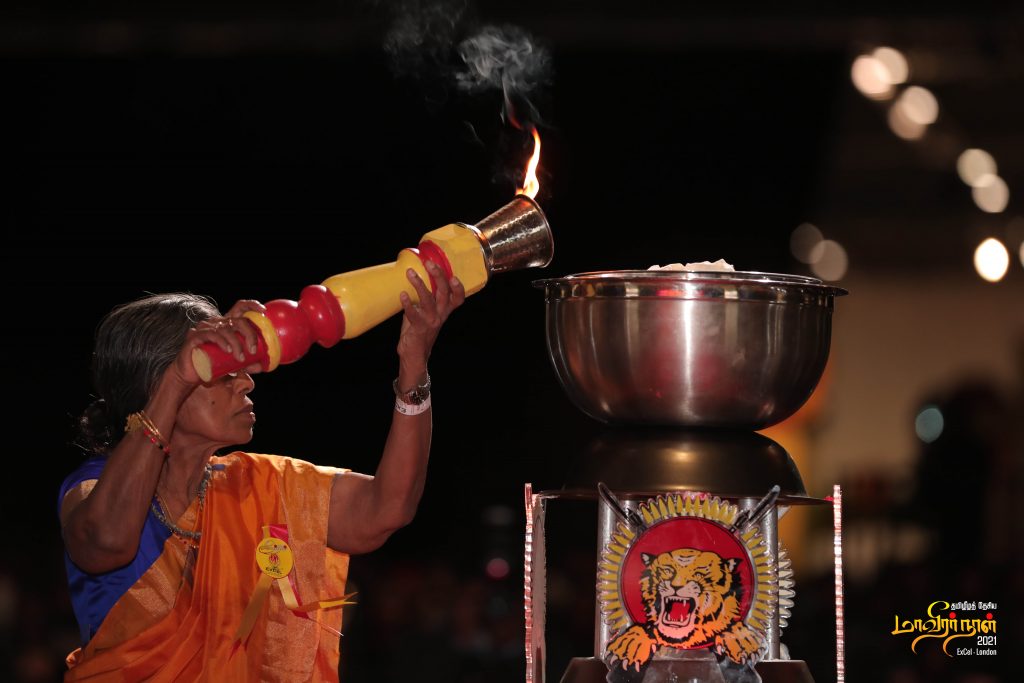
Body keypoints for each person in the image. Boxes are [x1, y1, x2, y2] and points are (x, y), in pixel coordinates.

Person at [57, 261, 464, 681]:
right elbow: (106, 542)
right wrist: (176, 381)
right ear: (156, 383)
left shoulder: (258, 486)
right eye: (224, 372)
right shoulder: (92, 488)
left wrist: (413, 363)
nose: (247, 383)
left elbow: (386, 507)